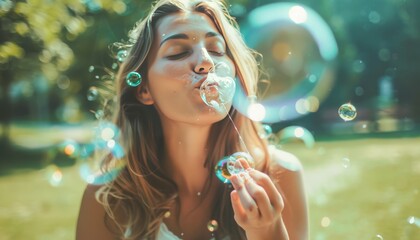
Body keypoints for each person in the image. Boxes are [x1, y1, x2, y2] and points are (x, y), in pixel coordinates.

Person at [76, 0, 308, 239]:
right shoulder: (107, 198)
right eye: (178, 52)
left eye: (217, 50)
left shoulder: (280, 174)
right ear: (144, 89)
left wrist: (267, 231)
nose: (207, 62)